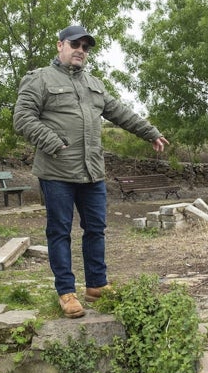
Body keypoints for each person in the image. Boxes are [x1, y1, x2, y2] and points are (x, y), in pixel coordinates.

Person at [13, 25, 169, 318]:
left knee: (96, 229)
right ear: (60, 45)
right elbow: (22, 118)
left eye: (86, 47)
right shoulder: (39, 79)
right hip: (57, 171)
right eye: (76, 44)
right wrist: (53, 142)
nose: (81, 51)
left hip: (92, 172)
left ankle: (96, 286)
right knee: (59, 232)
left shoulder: (93, 84)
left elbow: (119, 112)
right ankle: (66, 292)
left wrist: (150, 132)